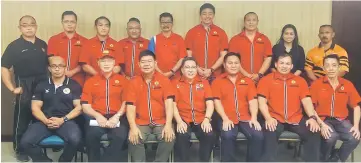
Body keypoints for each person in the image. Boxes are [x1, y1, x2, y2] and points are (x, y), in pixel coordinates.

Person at [258, 53, 321, 162]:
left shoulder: (300, 81)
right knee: (269, 133)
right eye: (281, 63)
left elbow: (306, 101)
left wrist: (312, 118)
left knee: (314, 131)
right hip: (275, 118)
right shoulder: (266, 80)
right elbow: (261, 102)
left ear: (292, 66)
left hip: (296, 118)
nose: (284, 66)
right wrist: (268, 118)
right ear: (276, 64)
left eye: (287, 63)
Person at [1, 15, 48, 162]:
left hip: (42, 84)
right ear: (20, 28)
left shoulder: (42, 44)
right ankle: (19, 149)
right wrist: (12, 88)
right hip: (24, 84)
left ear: (36, 26)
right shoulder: (14, 46)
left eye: (32, 24)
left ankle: (38, 148)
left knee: (40, 118)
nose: (29, 27)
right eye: (25, 25)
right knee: (22, 119)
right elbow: (4, 68)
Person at [20, 56, 82, 162]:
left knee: (75, 140)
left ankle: (64, 160)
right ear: (49, 68)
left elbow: (79, 108)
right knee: (25, 142)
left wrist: (62, 120)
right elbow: (35, 108)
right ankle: (45, 161)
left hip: (66, 121)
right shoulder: (42, 85)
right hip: (44, 121)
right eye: (54, 66)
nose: (57, 69)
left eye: (60, 66)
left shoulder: (74, 85)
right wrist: (46, 121)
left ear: (65, 68)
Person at [212, 52, 263, 162]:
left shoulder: (248, 81)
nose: (233, 65)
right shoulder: (217, 81)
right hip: (226, 117)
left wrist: (254, 118)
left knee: (258, 135)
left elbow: (253, 101)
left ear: (240, 65)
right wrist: (225, 119)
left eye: (236, 63)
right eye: (230, 63)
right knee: (228, 135)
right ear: (224, 65)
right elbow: (217, 102)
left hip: (245, 117)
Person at [125, 50, 175, 162]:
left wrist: (168, 125)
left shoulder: (164, 80)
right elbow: (130, 107)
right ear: (138, 64)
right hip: (141, 121)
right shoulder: (133, 82)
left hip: (161, 121)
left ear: (155, 63)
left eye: (149, 61)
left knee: (169, 138)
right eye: (143, 62)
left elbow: (169, 104)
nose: (146, 64)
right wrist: (133, 127)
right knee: (134, 138)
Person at [310, 54, 361, 162]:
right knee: (330, 138)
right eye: (327, 65)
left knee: (354, 138)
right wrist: (321, 124)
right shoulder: (317, 84)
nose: (331, 68)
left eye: (334, 65)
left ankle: (335, 158)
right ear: (323, 68)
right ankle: (323, 159)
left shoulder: (347, 84)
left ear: (339, 67)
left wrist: (356, 126)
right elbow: (310, 108)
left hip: (341, 120)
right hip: (323, 119)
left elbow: (356, 107)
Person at [81, 50, 129, 162]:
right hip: (96, 117)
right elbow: (85, 105)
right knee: (91, 136)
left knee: (120, 137)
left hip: (117, 116)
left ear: (114, 63)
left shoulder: (123, 81)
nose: (106, 64)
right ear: (98, 63)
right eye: (103, 61)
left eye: (109, 61)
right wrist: (97, 116)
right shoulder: (90, 82)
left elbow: (126, 102)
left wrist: (117, 116)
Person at [172, 57, 215, 162]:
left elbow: (210, 103)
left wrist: (207, 119)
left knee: (209, 135)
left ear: (197, 69)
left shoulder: (204, 83)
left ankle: (204, 160)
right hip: (182, 118)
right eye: (187, 67)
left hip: (201, 118)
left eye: (193, 67)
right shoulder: (175, 83)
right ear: (182, 70)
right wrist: (178, 121)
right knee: (182, 135)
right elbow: (172, 105)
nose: (190, 70)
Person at [185, 3, 228, 82]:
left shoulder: (221, 33)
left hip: (216, 75)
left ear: (214, 15)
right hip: (196, 74)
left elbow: (224, 56)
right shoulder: (192, 32)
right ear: (200, 15)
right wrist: (197, 68)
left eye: (210, 14)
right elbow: (188, 55)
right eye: (204, 14)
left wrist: (211, 70)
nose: (207, 16)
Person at [229, 12, 272, 83]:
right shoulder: (235, 40)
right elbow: (232, 60)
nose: (251, 22)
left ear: (257, 22)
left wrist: (259, 74)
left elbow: (268, 59)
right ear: (244, 22)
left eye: (254, 20)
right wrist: (247, 75)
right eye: (248, 20)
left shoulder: (265, 39)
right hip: (240, 79)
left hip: (260, 79)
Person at [47, 11, 88, 86]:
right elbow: (51, 59)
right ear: (62, 22)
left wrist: (72, 72)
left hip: (79, 80)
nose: (69, 24)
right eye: (66, 21)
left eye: (72, 21)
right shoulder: (53, 40)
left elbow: (85, 63)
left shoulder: (85, 41)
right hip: (58, 79)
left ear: (76, 23)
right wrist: (63, 71)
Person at [79, 16, 122, 80]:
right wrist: (98, 76)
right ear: (95, 27)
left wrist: (108, 76)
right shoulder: (88, 43)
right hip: (92, 80)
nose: (103, 28)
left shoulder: (116, 44)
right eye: (100, 25)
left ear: (109, 28)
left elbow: (118, 66)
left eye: (106, 26)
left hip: (112, 81)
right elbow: (84, 65)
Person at [148, 12, 187, 79]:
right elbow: (151, 59)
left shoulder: (179, 38)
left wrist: (172, 72)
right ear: (160, 24)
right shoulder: (154, 39)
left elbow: (182, 58)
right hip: (158, 76)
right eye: (163, 22)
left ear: (172, 23)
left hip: (176, 77)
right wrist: (161, 73)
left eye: (168, 22)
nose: (165, 25)